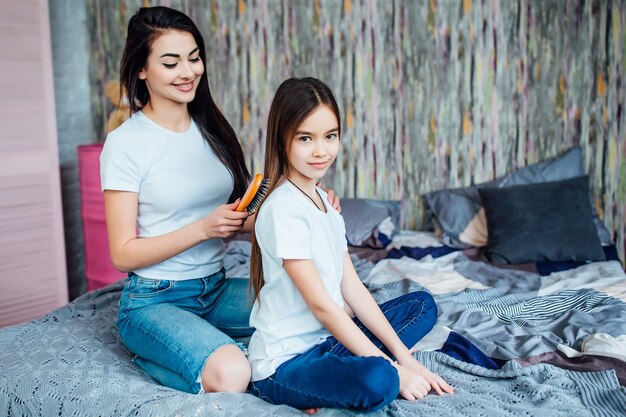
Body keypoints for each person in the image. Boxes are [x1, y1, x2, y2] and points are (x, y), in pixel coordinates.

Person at [100, 7, 339, 395]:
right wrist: (201, 229)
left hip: (214, 288)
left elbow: (238, 218)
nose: (189, 71)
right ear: (142, 69)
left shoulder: (210, 128)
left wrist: (308, 203)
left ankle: (212, 345)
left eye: (194, 58)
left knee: (320, 312)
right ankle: (152, 356)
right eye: (171, 62)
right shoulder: (126, 144)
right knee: (233, 374)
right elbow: (122, 254)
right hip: (154, 301)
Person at [247, 77, 454, 413]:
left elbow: (353, 288)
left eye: (330, 136)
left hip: (329, 342)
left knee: (421, 306)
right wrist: (396, 371)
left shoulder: (327, 205)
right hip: (286, 363)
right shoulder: (282, 209)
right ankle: (322, 384)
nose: (321, 150)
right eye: (305, 138)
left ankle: (354, 371)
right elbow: (324, 307)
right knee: (381, 380)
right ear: (282, 141)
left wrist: (404, 359)